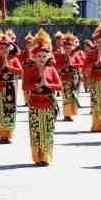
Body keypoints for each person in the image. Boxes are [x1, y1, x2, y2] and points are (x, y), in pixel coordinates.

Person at [22, 29, 62, 165]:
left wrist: (48, 84)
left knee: (48, 130)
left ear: (48, 57)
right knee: (35, 130)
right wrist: (34, 87)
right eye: (38, 56)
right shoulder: (29, 70)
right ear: (34, 57)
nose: (41, 59)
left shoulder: (52, 70)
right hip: (34, 103)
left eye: (44, 56)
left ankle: (46, 157)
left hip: (48, 104)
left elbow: (59, 86)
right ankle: (37, 157)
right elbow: (24, 87)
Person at [83, 22, 101, 133]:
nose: (100, 44)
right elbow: (85, 67)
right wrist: (93, 65)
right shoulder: (91, 54)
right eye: (98, 42)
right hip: (95, 82)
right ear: (95, 43)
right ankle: (95, 125)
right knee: (95, 102)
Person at [55, 32, 85, 121]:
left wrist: (73, 64)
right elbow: (57, 66)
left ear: (73, 47)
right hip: (65, 79)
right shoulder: (60, 55)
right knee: (66, 96)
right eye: (65, 47)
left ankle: (71, 112)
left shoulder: (76, 55)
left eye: (69, 47)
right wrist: (64, 66)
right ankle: (67, 114)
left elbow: (81, 63)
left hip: (75, 78)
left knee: (74, 96)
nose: (67, 49)